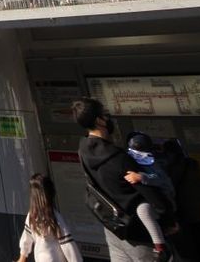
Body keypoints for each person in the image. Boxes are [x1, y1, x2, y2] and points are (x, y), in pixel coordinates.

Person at [72, 97, 171, 262]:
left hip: (114, 227)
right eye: (105, 114)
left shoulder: (83, 152)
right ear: (99, 121)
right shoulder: (118, 156)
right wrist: (168, 219)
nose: (108, 117)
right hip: (139, 232)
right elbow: (147, 191)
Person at [124, 133, 177, 260]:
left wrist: (143, 177)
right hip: (153, 202)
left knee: (144, 211)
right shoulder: (131, 160)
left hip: (164, 200)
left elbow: (162, 179)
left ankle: (161, 249)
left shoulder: (153, 162)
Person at [17, 173, 83, 262]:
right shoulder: (55, 217)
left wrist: (22, 258)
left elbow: (26, 238)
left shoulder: (32, 215)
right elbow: (67, 244)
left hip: (40, 258)